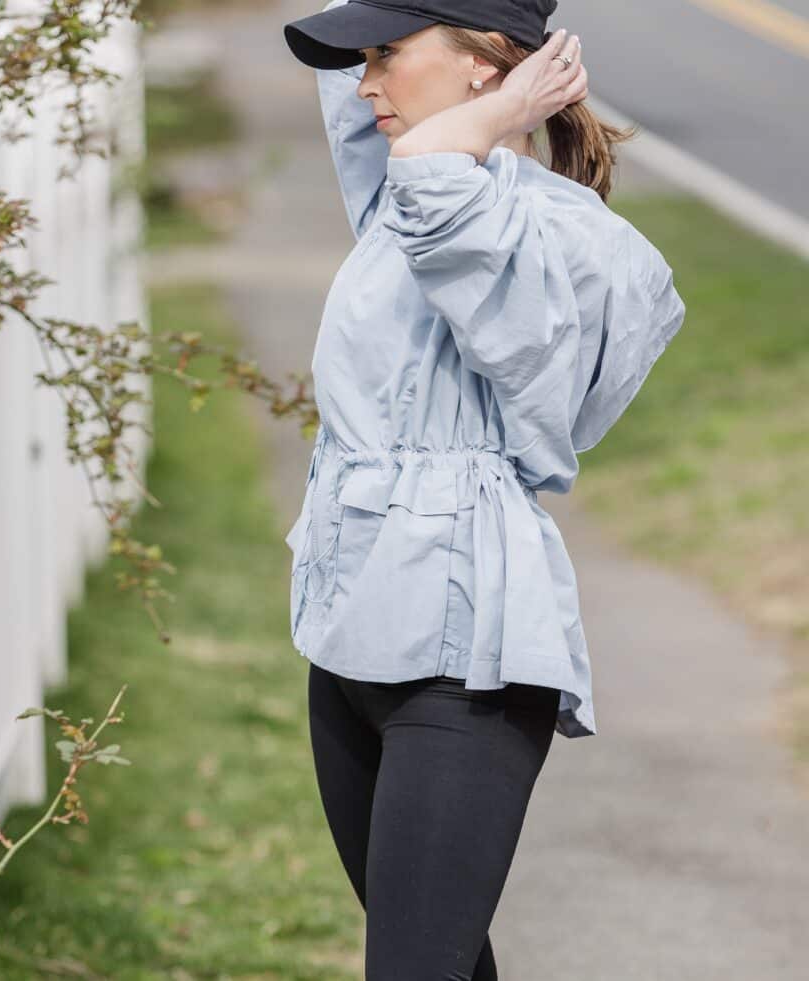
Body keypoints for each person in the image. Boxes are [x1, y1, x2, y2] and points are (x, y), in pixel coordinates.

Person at [281, 1, 685, 978]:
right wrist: (480, 112)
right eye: (364, 59)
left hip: (462, 667)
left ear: (487, 68)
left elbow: (439, 189)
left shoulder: (531, 227)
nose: (367, 79)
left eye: (389, 54)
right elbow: (379, 126)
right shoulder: (404, 201)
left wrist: (503, 114)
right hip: (349, 648)